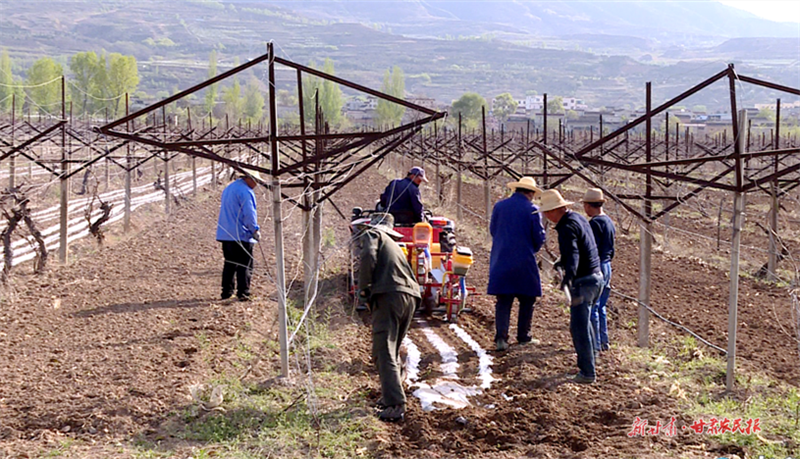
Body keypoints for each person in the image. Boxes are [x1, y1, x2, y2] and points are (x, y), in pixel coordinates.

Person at [357, 212, 421, 422]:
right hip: (410, 296)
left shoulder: (374, 235)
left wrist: (364, 289)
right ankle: (392, 393)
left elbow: (368, 255)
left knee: (383, 350)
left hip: (390, 295)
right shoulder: (394, 245)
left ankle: (395, 404)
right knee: (391, 349)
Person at [540, 189, 603, 384]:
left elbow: (574, 254)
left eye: (546, 212)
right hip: (596, 278)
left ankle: (587, 372)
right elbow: (582, 247)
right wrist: (562, 261)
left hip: (583, 282)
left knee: (578, 328)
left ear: (554, 210)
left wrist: (568, 279)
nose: (545, 216)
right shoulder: (578, 219)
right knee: (585, 322)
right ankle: (592, 358)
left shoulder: (566, 228)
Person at [487, 176, 546, 351]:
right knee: (527, 299)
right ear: (531, 193)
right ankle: (523, 336)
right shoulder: (533, 210)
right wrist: (530, 249)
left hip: (501, 258)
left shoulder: (499, 206)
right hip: (524, 260)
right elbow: (539, 237)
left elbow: (493, 230)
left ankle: (501, 338)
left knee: (503, 300)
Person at [216, 170, 261, 301]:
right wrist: (254, 230)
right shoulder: (245, 192)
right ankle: (243, 293)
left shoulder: (229, 188)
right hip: (241, 234)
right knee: (244, 265)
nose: (256, 184)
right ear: (249, 179)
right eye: (256, 181)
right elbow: (249, 213)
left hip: (226, 233)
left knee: (229, 263)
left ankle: (226, 292)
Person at [582, 188, 616, 353]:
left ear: (589, 205)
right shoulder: (609, 221)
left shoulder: (594, 224)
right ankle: (604, 341)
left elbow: (590, 248)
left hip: (597, 266)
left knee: (593, 307)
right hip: (607, 265)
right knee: (601, 306)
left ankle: (594, 344)